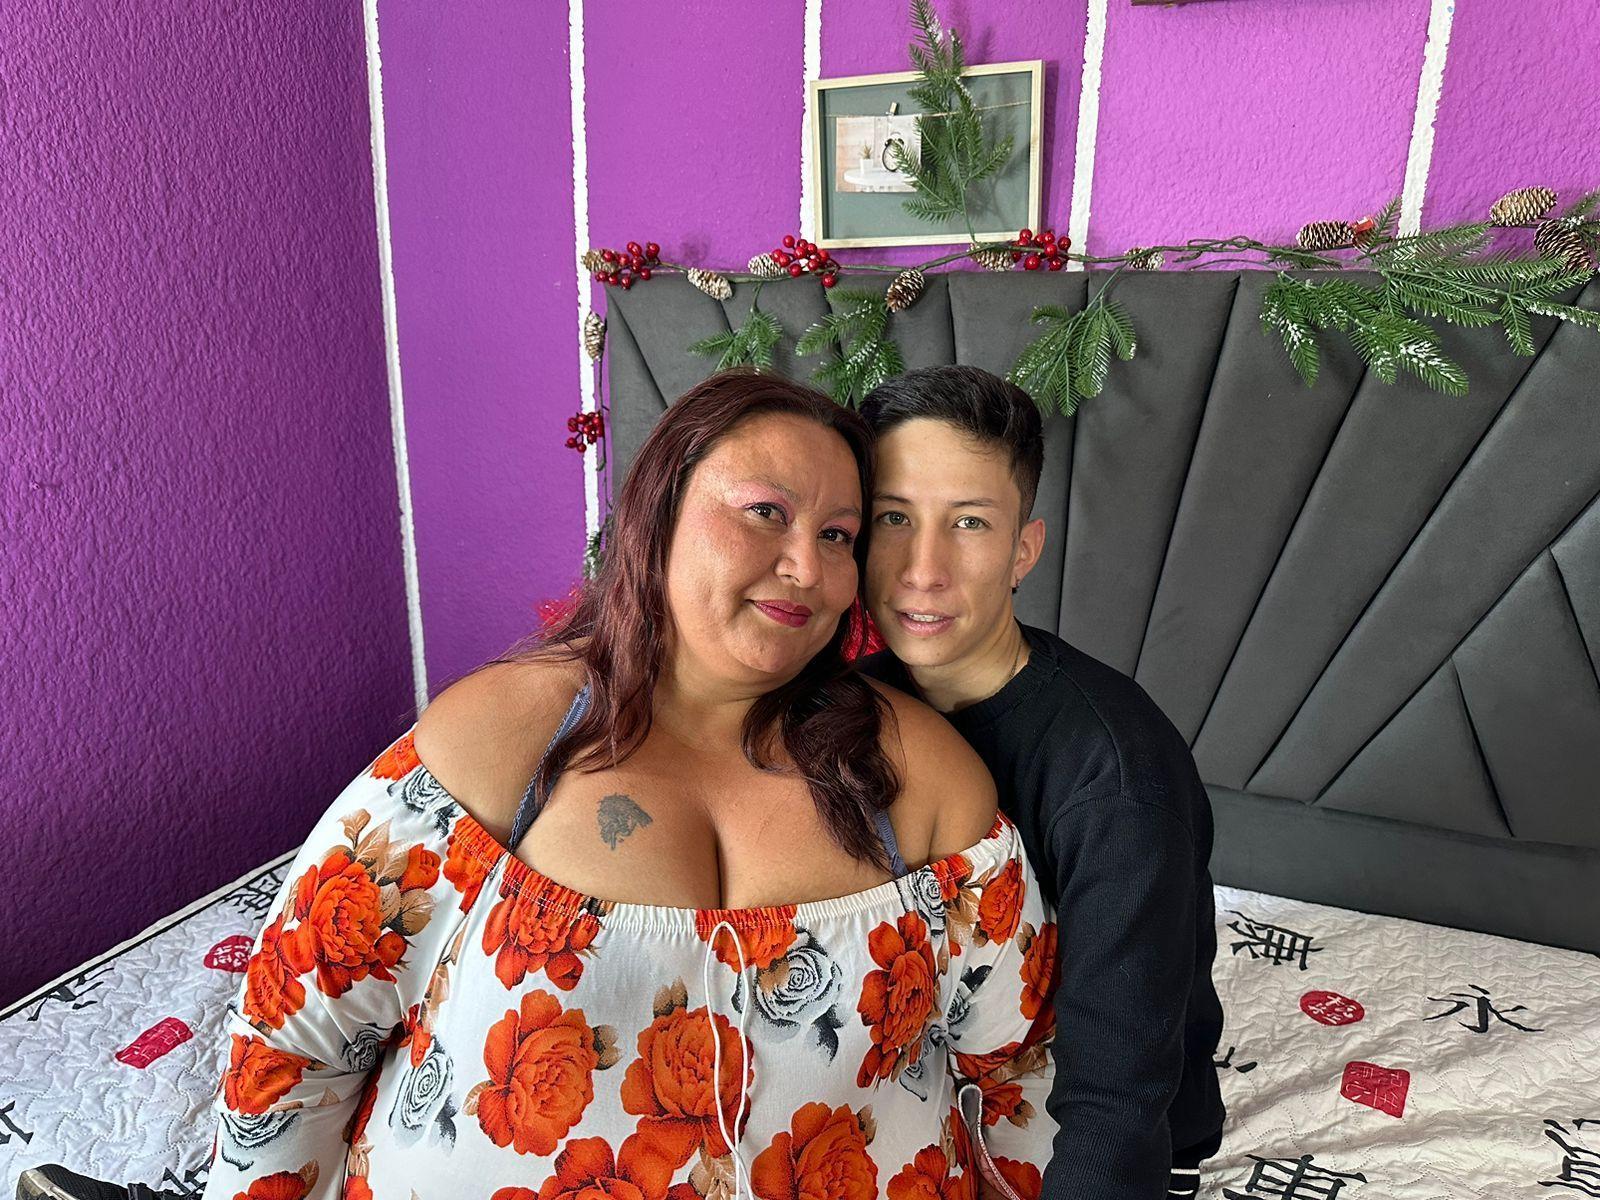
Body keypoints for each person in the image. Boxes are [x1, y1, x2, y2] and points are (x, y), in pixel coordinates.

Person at [151, 369, 1056, 1200]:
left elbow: (1017, 1075)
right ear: (657, 516)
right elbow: (294, 1041)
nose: (807, 569)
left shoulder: (918, 775)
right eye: (765, 512)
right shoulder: (505, 739)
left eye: (838, 536)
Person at [855, 365, 1226, 1200]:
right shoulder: (850, 707)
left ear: (1024, 550)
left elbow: (1119, 1096)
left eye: (970, 523)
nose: (922, 569)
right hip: (934, 1081)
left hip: (1099, 1125)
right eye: (893, 518)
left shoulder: (1116, 775)